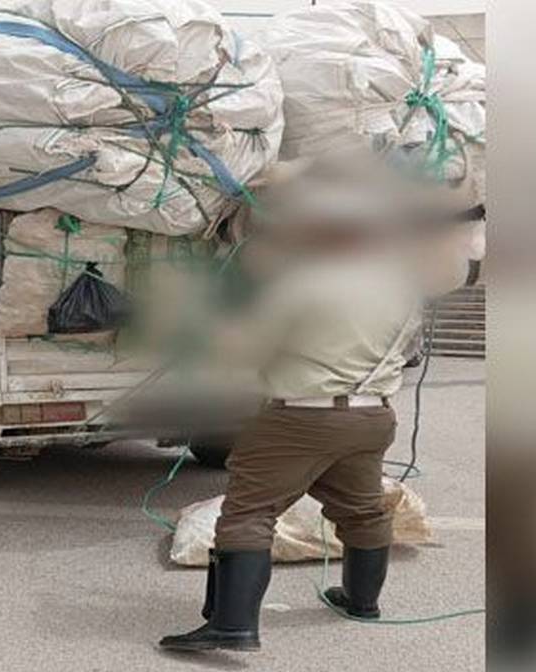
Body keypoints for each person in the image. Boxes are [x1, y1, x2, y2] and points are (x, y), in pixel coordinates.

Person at [158, 151, 471, 652]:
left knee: (249, 512)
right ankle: (361, 601)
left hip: (301, 418)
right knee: (362, 510)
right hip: (372, 417)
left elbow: (247, 348)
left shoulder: (303, 283)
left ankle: (233, 626)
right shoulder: (400, 288)